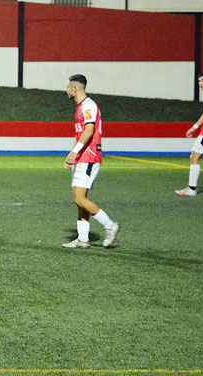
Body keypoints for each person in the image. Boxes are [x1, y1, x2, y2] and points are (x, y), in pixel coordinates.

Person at [62, 74, 119, 249]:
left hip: (89, 156)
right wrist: (72, 155)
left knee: (79, 198)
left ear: (74, 88)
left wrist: (75, 153)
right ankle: (83, 239)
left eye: (68, 87)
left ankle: (110, 225)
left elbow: (88, 131)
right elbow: (79, 134)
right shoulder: (81, 107)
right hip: (82, 157)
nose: (66, 91)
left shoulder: (89, 106)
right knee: (80, 199)